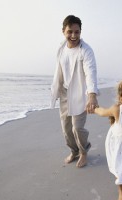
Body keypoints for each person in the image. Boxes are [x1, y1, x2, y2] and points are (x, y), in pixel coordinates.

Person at [50, 15, 99, 168]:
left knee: (77, 128)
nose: (73, 35)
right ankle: (74, 150)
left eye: (77, 32)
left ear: (80, 32)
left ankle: (84, 151)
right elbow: (59, 70)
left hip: (80, 93)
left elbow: (91, 72)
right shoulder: (61, 48)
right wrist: (56, 91)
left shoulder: (86, 51)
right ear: (63, 31)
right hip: (64, 93)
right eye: (70, 32)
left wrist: (92, 95)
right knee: (66, 129)